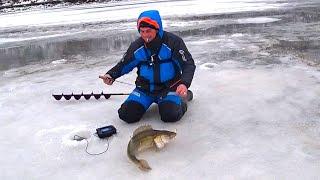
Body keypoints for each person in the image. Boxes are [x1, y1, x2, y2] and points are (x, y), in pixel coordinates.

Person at [99, 10, 196, 123]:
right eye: (142, 31)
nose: (145, 35)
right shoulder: (137, 46)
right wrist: (111, 75)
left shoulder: (173, 42)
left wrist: (184, 83)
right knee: (126, 115)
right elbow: (124, 64)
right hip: (145, 89)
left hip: (169, 88)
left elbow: (188, 64)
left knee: (170, 115)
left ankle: (183, 98)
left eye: (148, 31)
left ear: (157, 29)